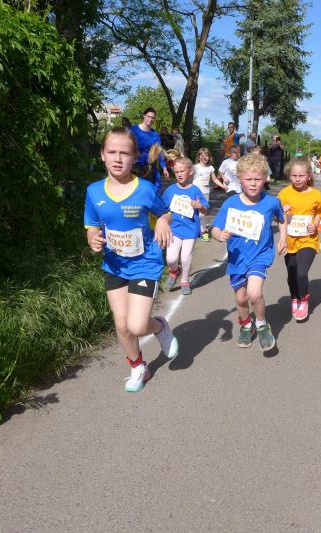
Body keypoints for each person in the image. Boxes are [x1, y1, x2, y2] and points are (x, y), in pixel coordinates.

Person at [83, 127, 179, 393]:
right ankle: (138, 366)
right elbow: (92, 225)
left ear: (134, 156)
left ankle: (159, 327)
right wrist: (92, 238)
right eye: (111, 152)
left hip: (145, 263)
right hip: (115, 265)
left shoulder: (145, 189)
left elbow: (165, 212)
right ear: (102, 155)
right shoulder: (94, 192)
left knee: (137, 325)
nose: (117, 158)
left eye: (124, 153)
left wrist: (163, 221)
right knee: (122, 325)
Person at [211, 153, 287, 352]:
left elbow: (282, 219)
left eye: (258, 179)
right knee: (241, 299)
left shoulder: (271, 202)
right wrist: (219, 235)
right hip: (237, 257)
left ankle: (262, 325)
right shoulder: (230, 203)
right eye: (248, 179)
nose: (253, 184)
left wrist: (283, 238)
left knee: (254, 293)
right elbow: (215, 228)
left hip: (260, 255)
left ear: (265, 179)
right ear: (239, 179)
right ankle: (246, 325)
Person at [277, 158, 321, 322]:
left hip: (308, 240)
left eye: (301, 176)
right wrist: (281, 212)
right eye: (294, 176)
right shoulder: (284, 194)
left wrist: (315, 225)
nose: (297, 179)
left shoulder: (316, 194)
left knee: (301, 273)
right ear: (289, 176)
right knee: (291, 275)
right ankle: (295, 298)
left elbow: (319, 213)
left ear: (309, 176)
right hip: (290, 240)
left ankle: (303, 299)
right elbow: (276, 217)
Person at [162, 157, 209, 296]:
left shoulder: (195, 190)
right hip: (174, 229)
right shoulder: (171, 190)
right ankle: (174, 271)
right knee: (171, 258)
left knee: (185, 257)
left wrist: (200, 206)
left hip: (190, 230)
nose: (179, 174)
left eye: (182, 171)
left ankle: (184, 281)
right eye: (176, 172)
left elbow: (205, 209)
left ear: (190, 172)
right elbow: (162, 207)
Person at [131, 107, 169, 185]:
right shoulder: (133, 130)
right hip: (134, 166)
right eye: (149, 116)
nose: (150, 119)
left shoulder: (155, 134)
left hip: (149, 167)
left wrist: (164, 168)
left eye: (153, 118)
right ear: (144, 116)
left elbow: (159, 152)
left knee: (152, 188)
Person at [193, 147, 217, 241]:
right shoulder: (194, 167)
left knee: (202, 214)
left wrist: (223, 186)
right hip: (195, 193)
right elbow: (189, 177)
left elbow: (214, 179)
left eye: (206, 155)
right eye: (202, 155)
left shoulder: (210, 168)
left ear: (209, 157)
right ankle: (199, 231)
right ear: (199, 157)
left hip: (205, 193)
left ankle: (202, 231)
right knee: (194, 213)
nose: (204, 157)